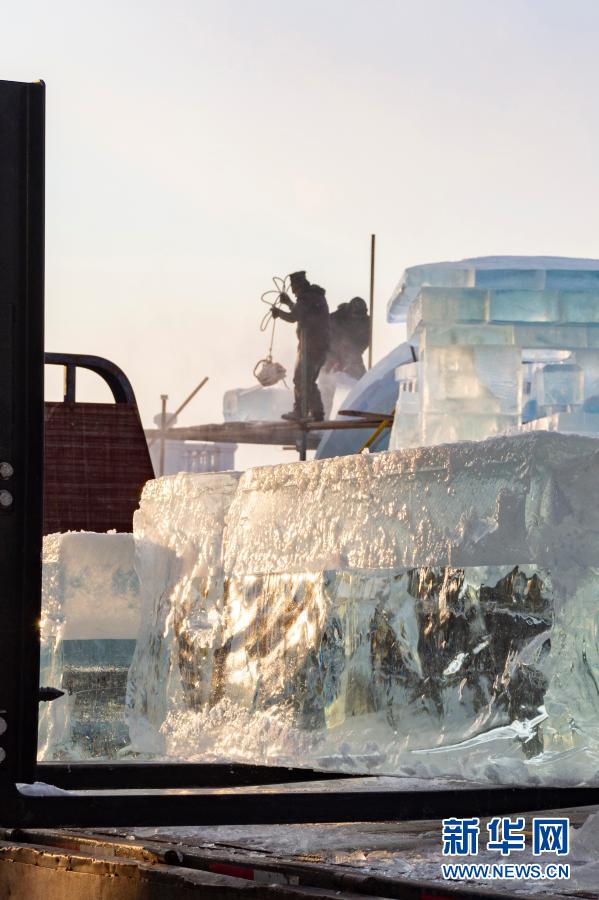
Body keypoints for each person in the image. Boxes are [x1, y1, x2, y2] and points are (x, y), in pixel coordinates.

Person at [271, 271, 330, 421]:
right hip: (320, 346)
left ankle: (300, 412)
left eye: (293, 288)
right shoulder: (314, 296)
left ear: (297, 286)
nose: (293, 292)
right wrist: (289, 303)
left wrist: (278, 312)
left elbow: (294, 317)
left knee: (300, 379)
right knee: (308, 381)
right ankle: (317, 413)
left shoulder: (306, 298)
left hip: (310, 346)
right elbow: (302, 313)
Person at [323, 296, 370, 379]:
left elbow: (365, 341)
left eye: (360, 315)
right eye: (355, 315)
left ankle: (361, 385)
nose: (357, 318)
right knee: (325, 375)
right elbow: (326, 334)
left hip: (352, 353)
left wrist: (355, 350)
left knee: (360, 376)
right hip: (332, 351)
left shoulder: (366, 322)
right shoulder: (336, 318)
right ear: (349, 311)